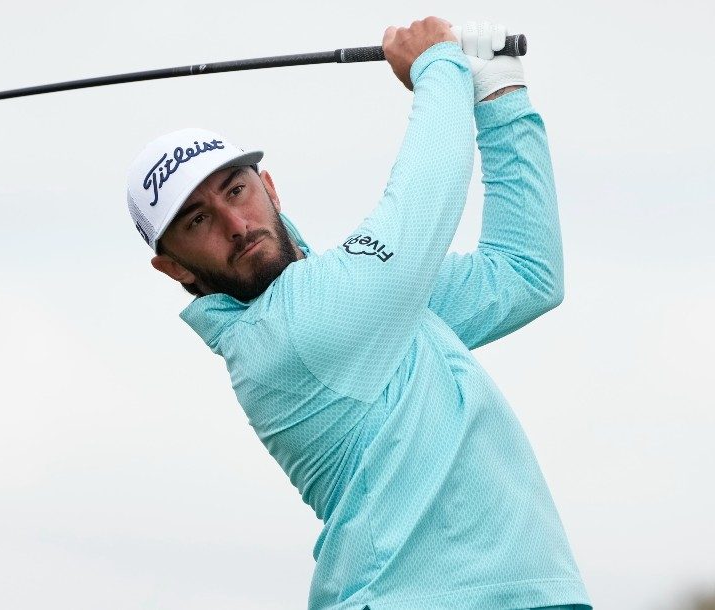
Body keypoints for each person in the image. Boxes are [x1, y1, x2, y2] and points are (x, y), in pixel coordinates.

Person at [124, 16, 591, 610]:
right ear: (176, 269)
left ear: (269, 186)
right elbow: (422, 207)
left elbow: (526, 274)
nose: (235, 226)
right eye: (197, 221)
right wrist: (440, 68)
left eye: (235, 190)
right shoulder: (285, 333)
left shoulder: (366, 301)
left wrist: (499, 92)